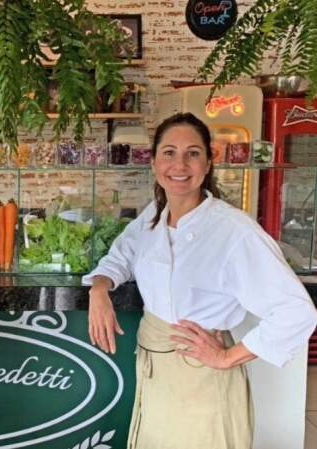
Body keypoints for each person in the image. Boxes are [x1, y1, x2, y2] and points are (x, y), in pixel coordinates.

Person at [84, 113, 317, 449]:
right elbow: (121, 256)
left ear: (208, 163)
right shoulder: (154, 215)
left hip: (204, 380)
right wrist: (100, 287)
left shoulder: (233, 230)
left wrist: (227, 357)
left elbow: (297, 311)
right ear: (153, 162)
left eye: (192, 153)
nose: (180, 164)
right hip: (157, 378)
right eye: (169, 152)